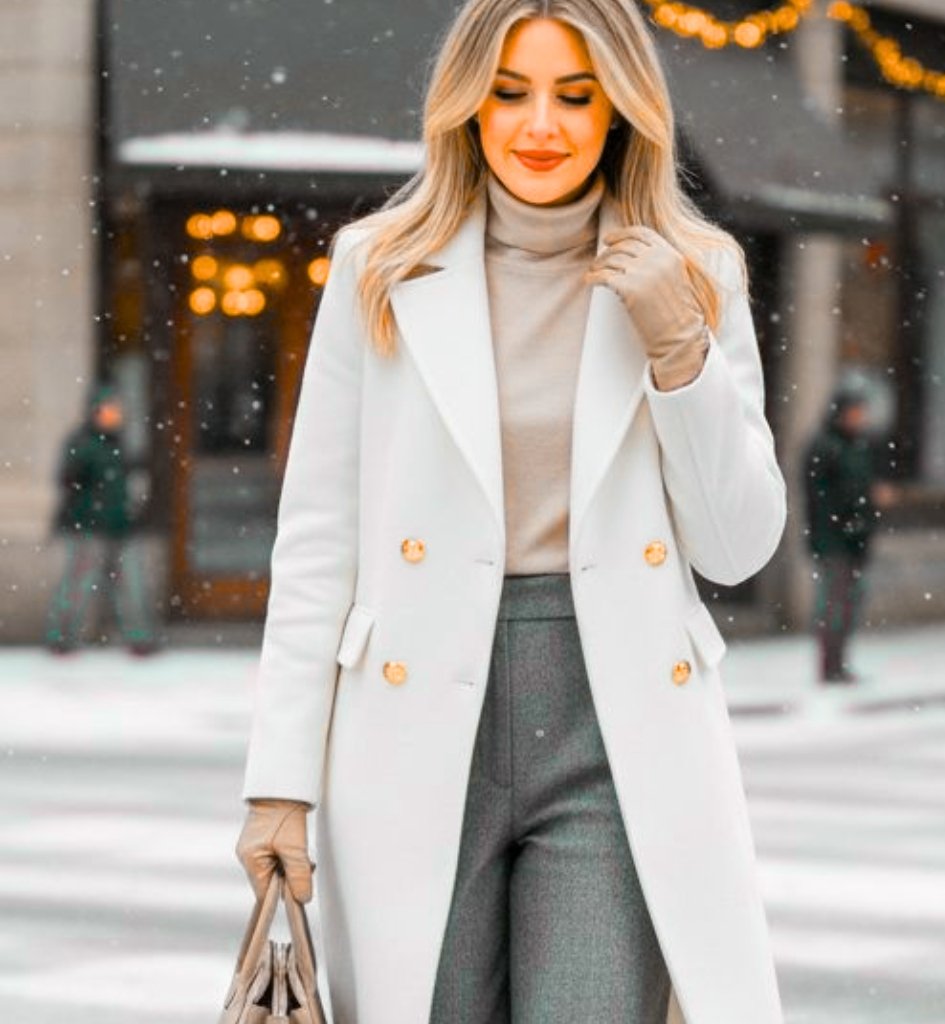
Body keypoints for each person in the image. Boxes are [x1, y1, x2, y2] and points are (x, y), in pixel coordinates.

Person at [235, 3, 787, 1022]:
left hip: (611, 722)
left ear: (621, 110)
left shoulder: (695, 271)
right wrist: (279, 782)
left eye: (575, 96)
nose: (541, 124)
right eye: (509, 92)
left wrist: (679, 350)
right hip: (410, 714)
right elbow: (319, 537)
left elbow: (737, 543)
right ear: (466, 108)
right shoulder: (381, 265)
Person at [44, 383, 157, 655]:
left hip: (121, 527)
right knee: (77, 584)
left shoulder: (121, 443)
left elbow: (130, 482)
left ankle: (140, 636)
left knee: (132, 585)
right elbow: (68, 481)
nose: (114, 415)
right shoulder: (82, 442)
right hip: (89, 527)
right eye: (109, 410)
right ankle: (62, 636)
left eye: (116, 410)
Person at [802, 386, 893, 684]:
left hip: (855, 538)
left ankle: (839, 662)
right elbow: (824, 496)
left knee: (849, 603)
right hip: (835, 538)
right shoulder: (826, 446)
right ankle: (830, 665)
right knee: (834, 604)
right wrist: (861, 502)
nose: (859, 418)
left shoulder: (859, 445)